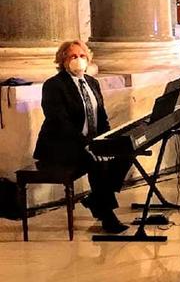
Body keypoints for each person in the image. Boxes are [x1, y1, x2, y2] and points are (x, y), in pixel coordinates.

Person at [34, 41, 131, 233]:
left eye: (82, 56)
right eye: (73, 56)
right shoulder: (54, 85)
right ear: (63, 60)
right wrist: (86, 145)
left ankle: (95, 200)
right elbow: (59, 123)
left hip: (89, 141)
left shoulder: (92, 82)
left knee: (126, 152)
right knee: (96, 162)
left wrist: (108, 141)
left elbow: (101, 117)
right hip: (61, 146)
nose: (79, 60)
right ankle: (107, 216)